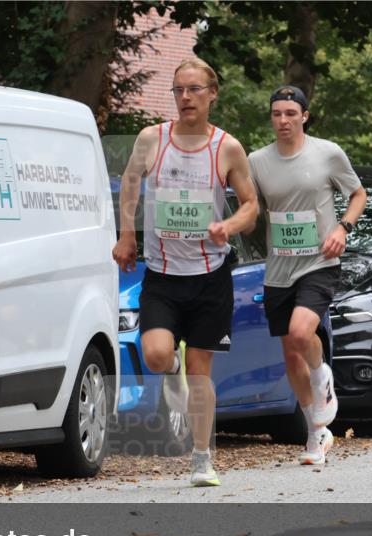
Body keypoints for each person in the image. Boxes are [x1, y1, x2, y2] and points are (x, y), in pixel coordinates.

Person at [112, 58, 258, 487]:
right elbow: (131, 181)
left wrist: (227, 226)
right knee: (157, 356)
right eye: (179, 89)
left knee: (200, 371)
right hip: (162, 274)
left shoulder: (227, 147)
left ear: (213, 94)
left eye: (194, 89)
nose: (186, 97)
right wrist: (126, 235)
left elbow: (251, 206)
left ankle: (201, 457)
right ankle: (170, 363)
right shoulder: (152, 139)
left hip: (210, 276)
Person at [248, 85, 367, 465]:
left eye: (290, 113)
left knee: (302, 334)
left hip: (319, 262)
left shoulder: (327, 153)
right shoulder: (257, 161)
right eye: (276, 114)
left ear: (304, 116)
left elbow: (358, 195)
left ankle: (322, 377)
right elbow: (253, 210)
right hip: (279, 267)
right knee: (290, 354)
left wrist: (342, 229)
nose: (283, 120)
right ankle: (316, 433)